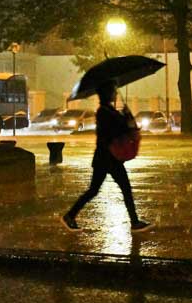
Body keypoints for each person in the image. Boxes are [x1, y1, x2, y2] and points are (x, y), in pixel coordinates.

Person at [62, 81, 152, 232]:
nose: (115, 94)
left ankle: (70, 215)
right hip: (109, 157)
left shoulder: (108, 110)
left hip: (105, 158)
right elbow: (114, 131)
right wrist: (126, 120)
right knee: (123, 189)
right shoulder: (104, 112)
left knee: (94, 190)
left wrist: (125, 116)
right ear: (108, 94)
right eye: (113, 91)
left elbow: (119, 126)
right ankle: (134, 222)